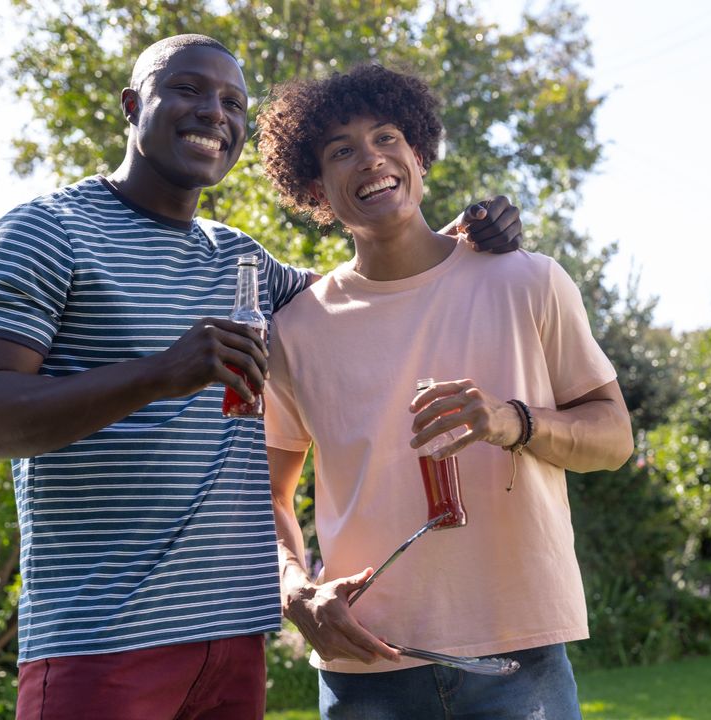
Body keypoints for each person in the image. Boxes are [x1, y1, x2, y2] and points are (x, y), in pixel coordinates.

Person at [0, 35, 521, 720]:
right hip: (101, 646)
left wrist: (457, 239)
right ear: (133, 105)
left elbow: (365, 293)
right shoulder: (48, 232)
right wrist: (159, 374)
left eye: (233, 102)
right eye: (187, 89)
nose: (214, 111)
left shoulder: (240, 260)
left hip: (233, 645)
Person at [257, 63, 634, 719]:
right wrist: (296, 587)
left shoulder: (529, 281)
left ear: (419, 154)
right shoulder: (296, 330)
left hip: (519, 661)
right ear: (317, 187)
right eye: (341, 151)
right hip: (365, 664)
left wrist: (512, 421)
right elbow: (270, 493)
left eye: (385, 138)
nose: (369, 160)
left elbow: (614, 440)